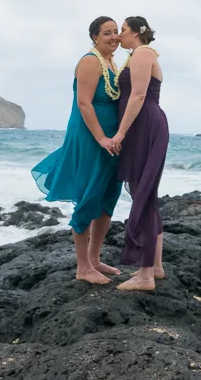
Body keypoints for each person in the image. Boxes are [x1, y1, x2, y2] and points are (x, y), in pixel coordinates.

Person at [31, 16, 125, 284]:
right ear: (94, 37)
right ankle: (83, 267)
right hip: (90, 137)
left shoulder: (111, 63)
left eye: (116, 32)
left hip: (111, 139)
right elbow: (84, 104)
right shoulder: (90, 61)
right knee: (89, 194)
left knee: (109, 196)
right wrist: (101, 138)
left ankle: (95, 260)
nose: (114, 37)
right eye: (107, 33)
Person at [113, 15, 168, 291]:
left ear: (136, 32)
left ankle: (145, 276)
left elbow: (137, 95)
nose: (119, 35)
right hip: (143, 124)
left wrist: (120, 133)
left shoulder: (143, 53)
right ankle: (155, 267)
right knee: (145, 194)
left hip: (144, 125)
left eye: (123, 30)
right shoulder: (137, 54)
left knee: (143, 194)